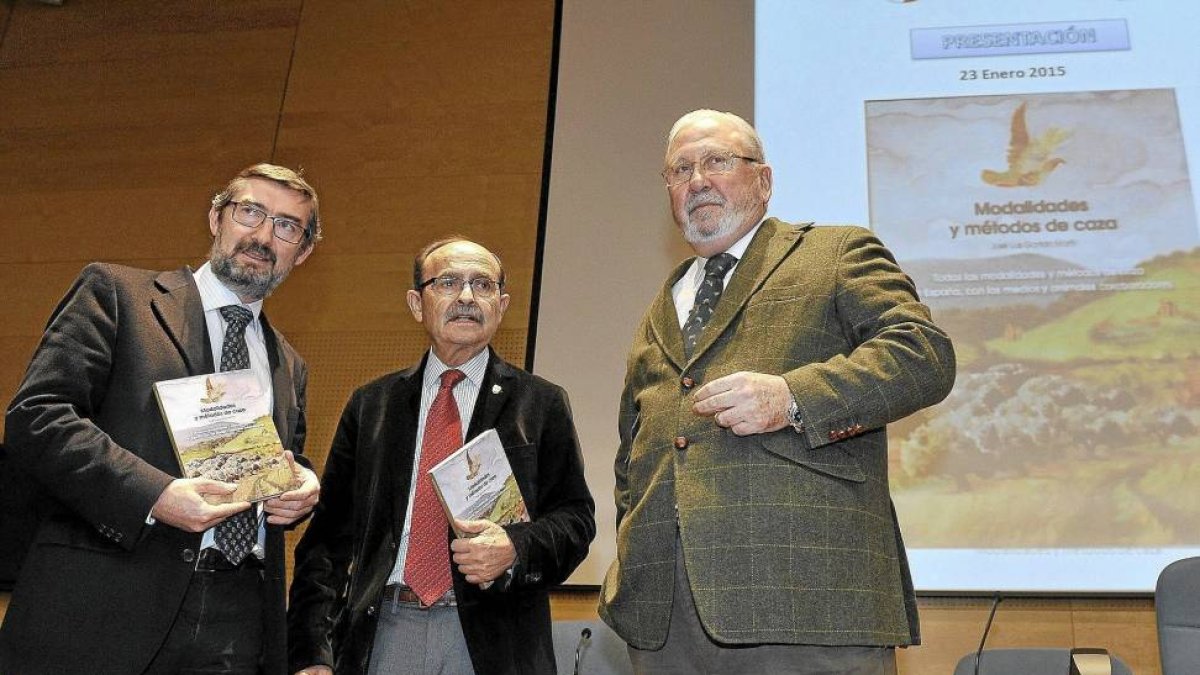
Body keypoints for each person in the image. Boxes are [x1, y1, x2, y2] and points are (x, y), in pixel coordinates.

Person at [597, 109, 956, 674]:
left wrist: (791, 397)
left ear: (763, 181)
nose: (697, 180)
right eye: (680, 169)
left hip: (806, 601)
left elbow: (924, 355)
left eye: (717, 160)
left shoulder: (836, 252)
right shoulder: (664, 302)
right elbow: (633, 446)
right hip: (664, 623)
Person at [0, 163, 324, 675]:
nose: (263, 235)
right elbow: (37, 418)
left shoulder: (290, 364)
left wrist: (301, 486)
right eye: (250, 212)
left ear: (302, 252)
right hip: (108, 604)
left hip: (238, 618)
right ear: (216, 217)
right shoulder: (117, 294)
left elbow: (275, 461)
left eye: (287, 226)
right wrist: (155, 495)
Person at [287, 237, 595, 675]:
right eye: (448, 282)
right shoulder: (372, 405)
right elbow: (325, 542)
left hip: (495, 641)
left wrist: (515, 546)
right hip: (386, 632)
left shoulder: (540, 404)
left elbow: (576, 520)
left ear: (502, 305)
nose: (467, 296)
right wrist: (311, 652)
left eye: (482, 285)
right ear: (417, 303)